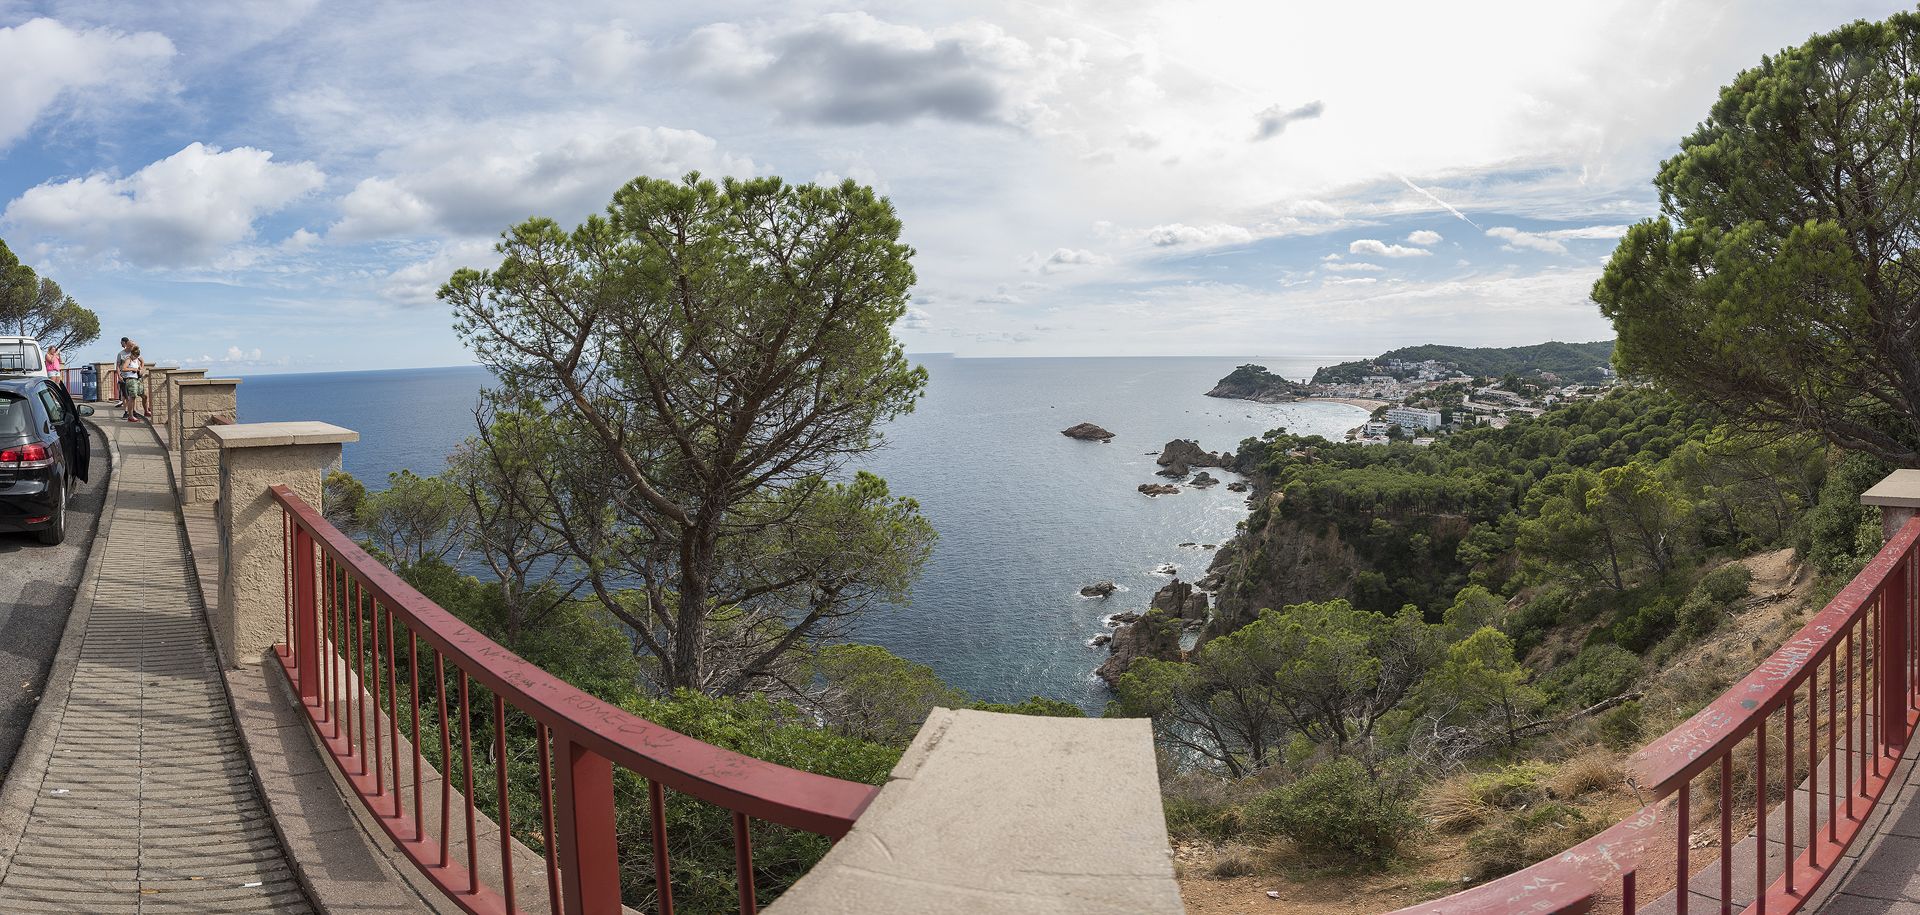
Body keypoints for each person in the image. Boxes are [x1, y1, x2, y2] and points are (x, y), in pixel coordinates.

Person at [121, 345, 146, 422]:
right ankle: (130, 416)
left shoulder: (137, 360)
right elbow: (123, 368)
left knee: (144, 396)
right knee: (132, 398)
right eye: (135, 356)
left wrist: (141, 365)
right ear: (132, 354)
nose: (135, 358)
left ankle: (146, 411)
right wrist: (133, 369)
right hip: (131, 380)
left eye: (137, 356)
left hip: (137, 380)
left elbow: (141, 368)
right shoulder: (128, 359)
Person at [112, 337, 132, 413]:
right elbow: (117, 366)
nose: (121, 344)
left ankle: (133, 411)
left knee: (132, 395)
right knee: (125, 395)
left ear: (125, 343)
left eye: (121, 343)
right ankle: (126, 411)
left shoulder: (133, 352)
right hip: (123, 376)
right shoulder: (120, 354)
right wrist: (119, 376)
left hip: (132, 377)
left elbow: (140, 361)